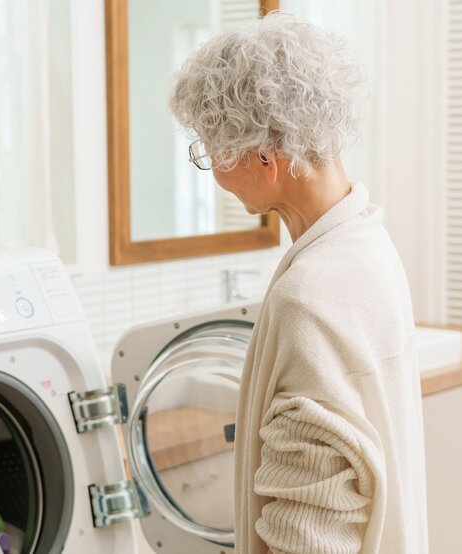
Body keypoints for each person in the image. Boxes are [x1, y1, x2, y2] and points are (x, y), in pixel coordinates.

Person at [169, 12, 428, 554]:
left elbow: (310, 533)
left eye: (210, 149)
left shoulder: (306, 298)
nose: (212, 170)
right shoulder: (370, 244)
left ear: (266, 156)